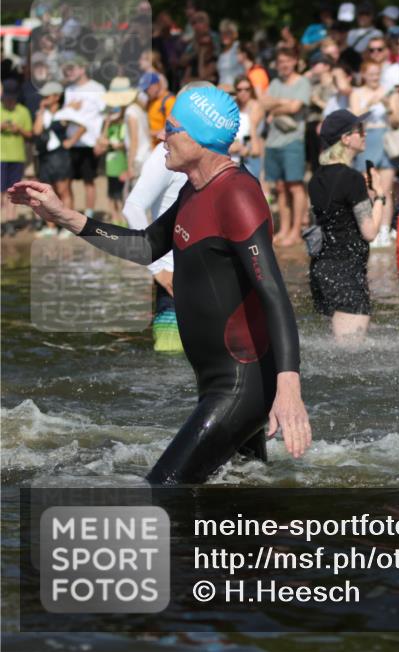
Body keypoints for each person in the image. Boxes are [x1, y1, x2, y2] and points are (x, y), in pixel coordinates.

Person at [8, 86, 311, 483]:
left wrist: (288, 386)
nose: (161, 136)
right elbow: (146, 246)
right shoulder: (194, 189)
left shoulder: (236, 194)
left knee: (161, 492)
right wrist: (63, 215)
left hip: (240, 385)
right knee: (243, 489)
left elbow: (273, 292)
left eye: (171, 128)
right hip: (218, 382)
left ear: (199, 138)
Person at [308, 110, 388, 340]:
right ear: (345, 139)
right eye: (359, 130)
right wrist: (380, 196)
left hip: (321, 270)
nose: (365, 134)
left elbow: (335, 219)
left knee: (334, 348)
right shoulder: (352, 178)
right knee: (350, 354)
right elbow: (369, 231)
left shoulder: (315, 178)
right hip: (346, 272)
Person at [261, 48, 312, 247]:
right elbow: (264, 103)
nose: (284, 65)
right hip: (272, 141)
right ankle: (284, 229)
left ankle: (296, 231)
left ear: (295, 61)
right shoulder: (275, 83)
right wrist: (283, 103)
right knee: (280, 188)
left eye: (288, 60)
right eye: (281, 61)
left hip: (293, 140)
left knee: (295, 186)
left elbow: (295, 108)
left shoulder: (302, 82)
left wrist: (276, 107)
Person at [350, 60, 395, 246]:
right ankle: (371, 229)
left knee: (386, 189)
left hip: (385, 138)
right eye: (371, 73)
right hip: (367, 140)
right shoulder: (357, 93)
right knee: (368, 188)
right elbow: (354, 117)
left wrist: (388, 104)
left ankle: (385, 229)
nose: (374, 77)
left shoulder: (387, 91)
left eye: (377, 73)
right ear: (363, 75)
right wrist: (370, 103)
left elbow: (397, 118)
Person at [61, 57, 106, 216]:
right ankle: (70, 215)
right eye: (67, 69)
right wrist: (69, 108)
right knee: (67, 181)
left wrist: (101, 140)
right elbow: (64, 116)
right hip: (71, 142)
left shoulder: (97, 88)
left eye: (72, 68)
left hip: (90, 142)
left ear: (83, 69)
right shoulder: (69, 90)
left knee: (89, 181)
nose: (69, 72)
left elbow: (105, 115)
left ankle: (89, 217)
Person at [31, 81, 72, 236]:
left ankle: (68, 226)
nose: (44, 99)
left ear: (57, 97)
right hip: (45, 156)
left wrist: (72, 140)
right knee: (46, 191)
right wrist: (41, 111)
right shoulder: (42, 113)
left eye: (47, 96)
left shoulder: (66, 111)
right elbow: (36, 131)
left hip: (60, 155)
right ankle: (51, 227)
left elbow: (84, 125)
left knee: (63, 190)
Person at [1, 80, 33, 215]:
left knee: (12, 191)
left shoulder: (23, 111)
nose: (9, 101)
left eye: (11, 98)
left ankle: (10, 220)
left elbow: (30, 134)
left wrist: (19, 129)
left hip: (17, 157)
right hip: (1, 157)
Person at [230, 74, 265, 179]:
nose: (243, 93)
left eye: (247, 89)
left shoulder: (255, 106)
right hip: (233, 155)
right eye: (239, 90)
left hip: (250, 156)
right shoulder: (232, 106)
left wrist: (246, 150)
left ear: (251, 90)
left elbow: (254, 134)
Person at [140, 71, 175, 145]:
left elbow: (172, 129)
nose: (145, 92)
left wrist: (149, 133)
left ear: (156, 85)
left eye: (147, 89)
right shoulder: (150, 101)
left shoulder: (169, 101)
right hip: (152, 146)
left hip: (164, 147)